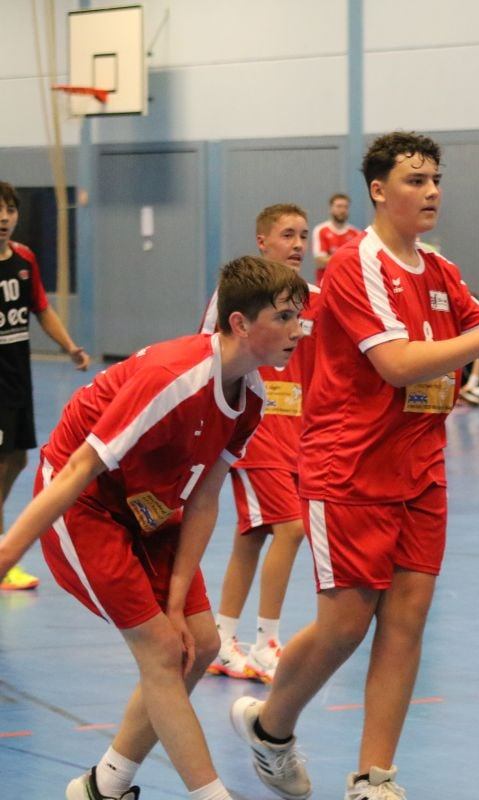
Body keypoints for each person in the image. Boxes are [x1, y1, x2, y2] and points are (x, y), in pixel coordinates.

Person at [229, 131, 479, 800]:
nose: (431, 191)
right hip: (350, 468)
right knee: (345, 623)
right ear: (378, 190)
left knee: (405, 624)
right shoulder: (353, 265)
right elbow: (395, 365)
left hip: (422, 469)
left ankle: (374, 777)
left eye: (435, 180)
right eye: (414, 180)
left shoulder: (441, 271)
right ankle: (271, 728)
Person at [0, 256, 306, 800]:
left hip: (153, 508)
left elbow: (206, 497)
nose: (297, 330)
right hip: (86, 504)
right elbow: (77, 470)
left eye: (298, 317)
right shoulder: (174, 378)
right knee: (163, 653)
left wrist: (178, 600)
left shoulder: (252, 396)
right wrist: (6, 554)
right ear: (239, 323)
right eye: (283, 317)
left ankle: (105, 785)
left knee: (201, 643)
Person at [200, 204, 320, 682]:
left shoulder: (314, 297)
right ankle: (267, 642)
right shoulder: (236, 296)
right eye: (287, 234)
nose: (297, 244)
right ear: (262, 241)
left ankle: (222, 639)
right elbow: (206, 356)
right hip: (254, 431)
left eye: (303, 235)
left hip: (296, 434)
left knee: (251, 534)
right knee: (291, 529)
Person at [0, 180, 90, 592]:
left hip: (17, 375)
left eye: (10, 210)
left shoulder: (25, 259)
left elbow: (40, 308)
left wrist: (69, 346)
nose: (4, 218)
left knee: (17, 460)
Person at [313, 193, 360, 285]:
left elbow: (357, 263)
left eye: (345, 207)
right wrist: (347, 260)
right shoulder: (321, 230)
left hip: (347, 284)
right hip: (325, 283)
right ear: (331, 208)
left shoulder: (356, 233)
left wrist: (331, 259)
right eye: (339, 206)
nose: (342, 210)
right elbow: (320, 262)